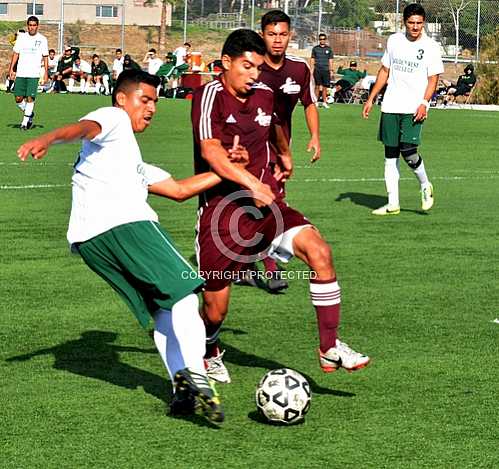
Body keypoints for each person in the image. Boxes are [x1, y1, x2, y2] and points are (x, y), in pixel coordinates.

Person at [16, 69, 247, 423]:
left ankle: (181, 393)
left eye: (155, 101)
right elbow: (82, 128)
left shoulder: (131, 163)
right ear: (123, 99)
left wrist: (229, 169)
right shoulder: (114, 119)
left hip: (90, 241)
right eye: (146, 99)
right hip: (125, 224)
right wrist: (48, 138)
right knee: (186, 295)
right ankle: (195, 375)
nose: (152, 108)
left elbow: (181, 190)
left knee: (163, 313)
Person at [192, 29, 370, 384]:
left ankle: (329, 346)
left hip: (268, 207)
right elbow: (209, 151)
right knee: (215, 309)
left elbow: (274, 125)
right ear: (225, 63)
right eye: (247, 66)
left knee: (319, 252)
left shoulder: (264, 94)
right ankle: (208, 350)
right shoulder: (207, 95)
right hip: (222, 215)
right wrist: (251, 182)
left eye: (258, 67)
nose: (254, 75)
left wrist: (285, 154)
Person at [251, 9, 320, 293]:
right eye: (271, 34)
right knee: (263, 202)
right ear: (262, 35)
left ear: (290, 36)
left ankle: (255, 260)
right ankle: (270, 267)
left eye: (282, 34)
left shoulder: (299, 68)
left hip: (282, 149)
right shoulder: (250, 66)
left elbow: (310, 102)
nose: (277, 41)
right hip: (249, 146)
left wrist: (315, 136)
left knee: (269, 202)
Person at [362, 3, 443, 215]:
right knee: (390, 155)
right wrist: (372, 98)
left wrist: (424, 103)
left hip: (414, 107)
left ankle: (425, 185)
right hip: (390, 105)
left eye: (419, 23)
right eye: (411, 23)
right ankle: (393, 203)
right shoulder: (394, 41)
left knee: (408, 152)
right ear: (404, 22)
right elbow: (384, 71)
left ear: (423, 23)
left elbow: (433, 79)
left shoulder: (432, 47)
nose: (415, 27)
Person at [8, 17, 48, 130]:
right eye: (30, 25)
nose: (32, 27)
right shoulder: (22, 38)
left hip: (34, 74)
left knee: (30, 97)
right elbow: (15, 54)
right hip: (21, 72)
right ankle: (30, 114)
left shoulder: (42, 39)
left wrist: (45, 73)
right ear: (27, 26)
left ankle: (24, 123)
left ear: (37, 26)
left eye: (34, 25)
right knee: (18, 98)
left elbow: (45, 56)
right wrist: (11, 69)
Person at [311, 33, 333, 109]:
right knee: (317, 86)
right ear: (319, 40)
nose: (322, 40)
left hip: (326, 70)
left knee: (325, 87)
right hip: (317, 70)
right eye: (321, 39)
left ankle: (324, 102)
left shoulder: (329, 49)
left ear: (325, 40)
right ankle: (316, 102)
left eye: (323, 39)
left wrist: (331, 70)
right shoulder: (315, 49)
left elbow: (330, 60)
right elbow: (312, 59)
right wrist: (311, 70)